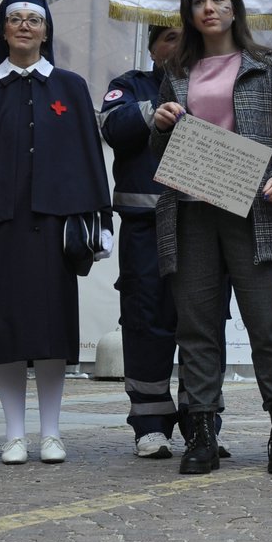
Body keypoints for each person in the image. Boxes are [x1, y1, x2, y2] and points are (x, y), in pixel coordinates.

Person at [0, 0, 113, 465]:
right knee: (5, 332)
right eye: (15, 19)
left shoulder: (70, 87)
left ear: (46, 31)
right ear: (2, 29)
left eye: (33, 20)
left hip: (54, 227)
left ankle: (53, 433)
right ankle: (14, 434)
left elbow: (89, 156)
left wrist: (100, 220)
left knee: (50, 333)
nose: (24, 26)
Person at [149, 0, 272, 476]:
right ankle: (203, 433)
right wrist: (159, 123)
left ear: (234, 8)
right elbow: (159, 152)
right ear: (189, 14)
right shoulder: (175, 70)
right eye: (198, 1)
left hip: (253, 211)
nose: (208, 8)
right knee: (197, 328)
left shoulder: (265, 65)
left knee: (267, 325)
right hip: (191, 211)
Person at [98, 24, 184, 458]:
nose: (176, 44)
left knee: (200, 324)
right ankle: (149, 424)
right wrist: (154, 111)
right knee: (145, 318)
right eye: (168, 36)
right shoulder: (128, 85)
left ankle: (203, 420)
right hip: (144, 226)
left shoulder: (211, 84)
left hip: (198, 225)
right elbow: (111, 126)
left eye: (184, 37)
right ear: (151, 46)